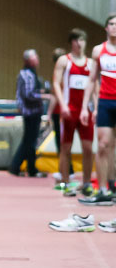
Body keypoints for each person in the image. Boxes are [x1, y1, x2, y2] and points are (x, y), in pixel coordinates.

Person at [51, 30, 95, 197]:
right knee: (65, 147)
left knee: (88, 148)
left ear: (85, 42)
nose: (79, 43)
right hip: (69, 110)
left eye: (82, 40)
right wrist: (62, 105)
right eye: (76, 40)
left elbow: (95, 87)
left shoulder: (91, 63)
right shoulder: (64, 61)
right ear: (71, 42)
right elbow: (56, 82)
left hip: (85, 112)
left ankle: (86, 183)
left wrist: (96, 107)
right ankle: (65, 182)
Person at [79, 14, 116, 207]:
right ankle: (102, 191)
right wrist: (86, 107)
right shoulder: (98, 51)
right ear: (106, 28)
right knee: (103, 145)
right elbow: (92, 79)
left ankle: (113, 186)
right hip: (105, 102)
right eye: (111, 24)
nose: (115, 27)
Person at [9, 49, 47, 177]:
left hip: (33, 111)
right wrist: (45, 96)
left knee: (30, 141)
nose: (37, 59)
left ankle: (30, 168)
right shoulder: (27, 74)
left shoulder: (32, 73)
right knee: (29, 141)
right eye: (34, 57)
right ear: (28, 60)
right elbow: (28, 94)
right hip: (30, 112)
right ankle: (16, 167)